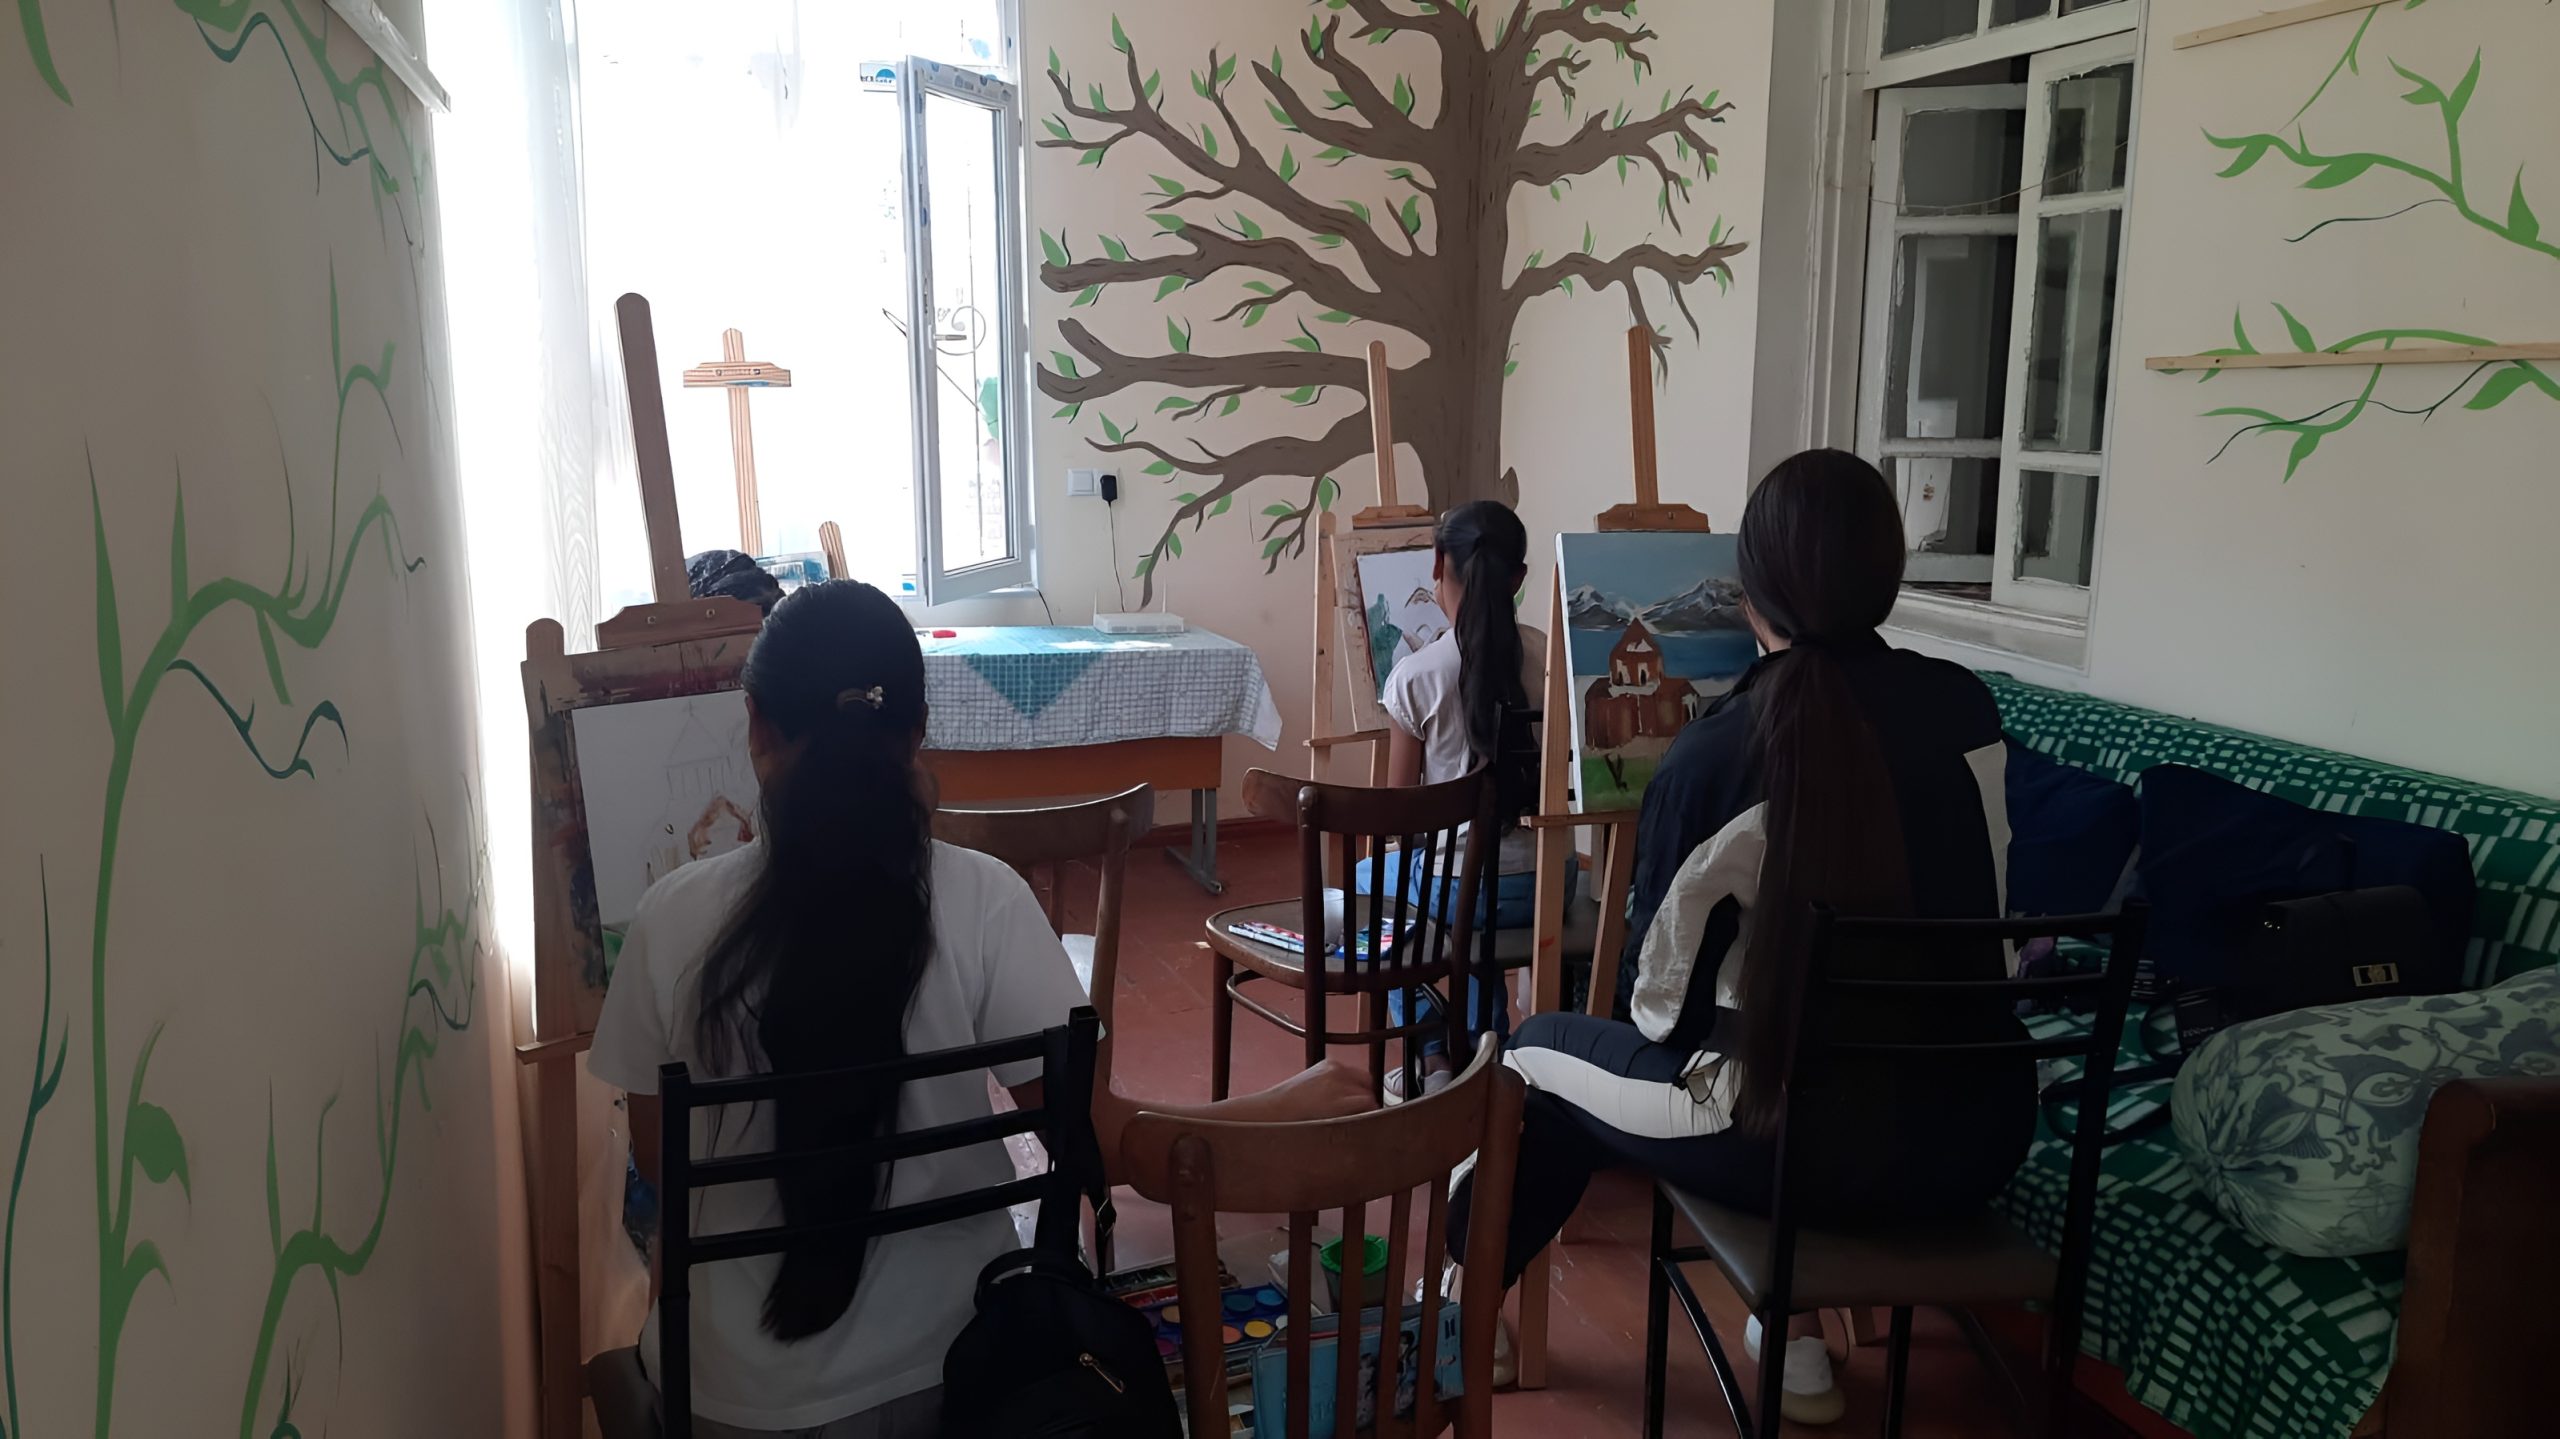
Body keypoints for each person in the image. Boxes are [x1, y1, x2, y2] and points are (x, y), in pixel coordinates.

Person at [1445, 451, 2033, 1418]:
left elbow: (1659, 1010)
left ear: (1750, 592)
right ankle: (1793, 1344)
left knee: (1535, 1056)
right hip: (1978, 1130)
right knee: (1787, 1058)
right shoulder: (1964, 707)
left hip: (1792, 1146)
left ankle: (1455, 1321)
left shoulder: (1720, 746)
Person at [587, 579, 1087, 1437]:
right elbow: (1077, 1121)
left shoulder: (670, 917)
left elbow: (661, 1159)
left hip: (737, 1398)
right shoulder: (987, 899)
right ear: (918, 730)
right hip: (967, 1370)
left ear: (755, 724)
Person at [1368, 500, 1563, 1098]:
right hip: (1549, 881)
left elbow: (1398, 814)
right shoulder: (1552, 659)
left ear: (1437, 564)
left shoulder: (1417, 674)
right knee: (1459, 904)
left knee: (1368, 890)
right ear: (1519, 578)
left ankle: (1435, 1050)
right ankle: (1487, 1049)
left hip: (1460, 891)